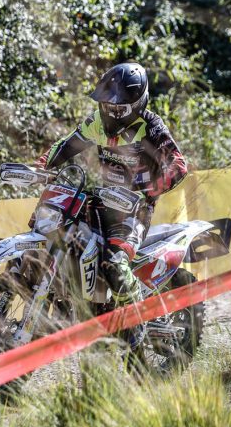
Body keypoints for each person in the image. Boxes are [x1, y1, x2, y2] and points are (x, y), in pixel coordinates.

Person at [36, 62, 188, 346]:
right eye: (106, 105)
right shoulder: (97, 121)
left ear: (137, 104)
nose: (110, 112)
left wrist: (148, 191)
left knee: (114, 263)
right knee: (64, 235)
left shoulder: (151, 128)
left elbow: (178, 165)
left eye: (118, 109)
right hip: (99, 201)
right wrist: (41, 165)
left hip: (134, 210)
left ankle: (136, 323)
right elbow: (67, 145)